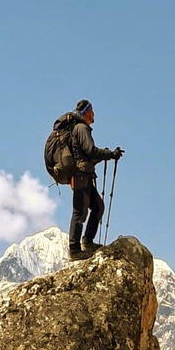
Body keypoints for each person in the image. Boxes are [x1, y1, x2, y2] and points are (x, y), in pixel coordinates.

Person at [68, 99, 124, 261]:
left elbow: (88, 155)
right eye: (92, 110)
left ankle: (87, 242)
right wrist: (109, 154)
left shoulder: (79, 129)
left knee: (98, 207)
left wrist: (107, 154)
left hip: (85, 176)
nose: (94, 114)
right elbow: (91, 151)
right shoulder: (82, 128)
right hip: (81, 176)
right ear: (86, 112)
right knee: (80, 212)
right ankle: (75, 249)